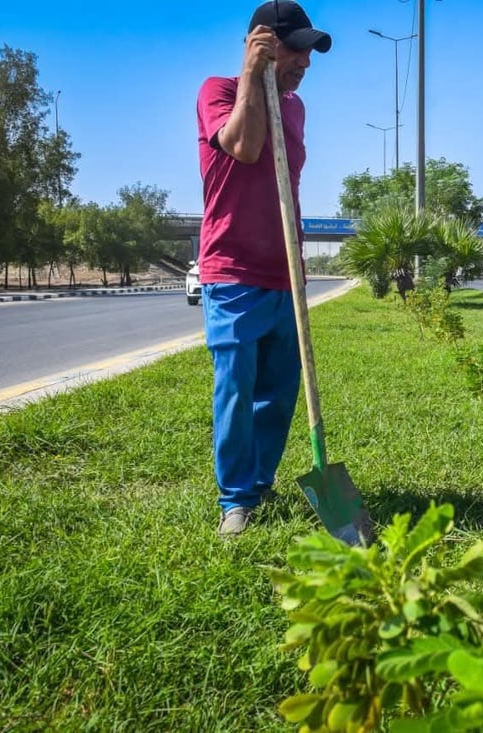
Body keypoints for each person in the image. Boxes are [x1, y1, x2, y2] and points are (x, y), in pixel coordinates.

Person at [195, 1, 331, 536]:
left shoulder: (295, 107)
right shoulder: (219, 91)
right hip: (232, 268)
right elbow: (245, 148)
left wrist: (298, 256)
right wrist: (253, 75)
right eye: (295, 49)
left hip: (285, 270)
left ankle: (260, 484)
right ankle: (234, 499)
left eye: (308, 51)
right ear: (262, 45)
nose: (305, 62)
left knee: (279, 389)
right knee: (236, 384)